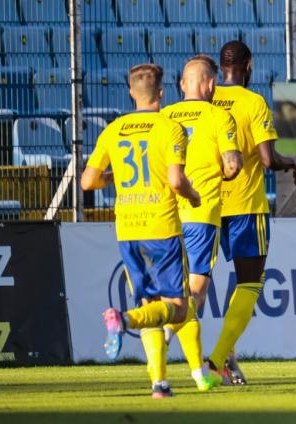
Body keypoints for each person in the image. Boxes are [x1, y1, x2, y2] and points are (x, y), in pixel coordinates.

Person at [81, 63, 201, 398]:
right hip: (160, 226)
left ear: (131, 93)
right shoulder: (171, 127)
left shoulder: (113, 129)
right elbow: (177, 181)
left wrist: (114, 177)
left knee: (150, 302)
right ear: (162, 94)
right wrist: (192, 195)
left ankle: (159, 384)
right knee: (178, 307)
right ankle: (123, 319)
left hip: (127, 229)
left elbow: (88, 181)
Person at [206, 40, 296, 385]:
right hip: (245, 206)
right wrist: (289, 163)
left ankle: (176, 362)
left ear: (219, 67)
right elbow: (267, 159)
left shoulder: (204, 101)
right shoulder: (253, 102)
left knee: (195, 285)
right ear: (249, 66)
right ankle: (218, 358)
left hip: (205, 207)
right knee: (249, 283)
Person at [160, 55, 243, 391]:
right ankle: (169, 342)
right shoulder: (219, 115)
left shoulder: (163, 116)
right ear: (211, 84)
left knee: (168, 287)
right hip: (201, 212)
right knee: (196, 290)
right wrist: (218, 171)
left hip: (164, 215)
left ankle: (162, 350)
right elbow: (233, 165)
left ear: (182, 85)